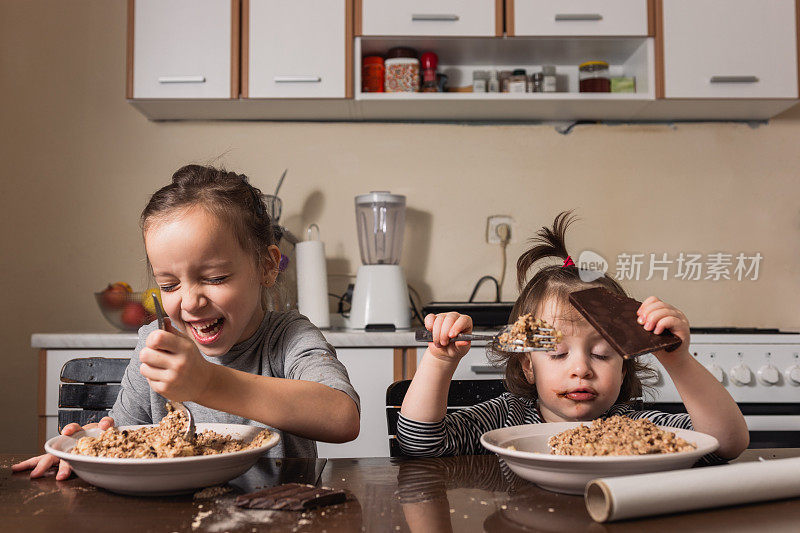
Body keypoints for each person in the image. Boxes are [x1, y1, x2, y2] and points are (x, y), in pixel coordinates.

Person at [15, 164, 360, 480]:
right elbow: (124, 437)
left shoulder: (288, 338)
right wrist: (88, 451)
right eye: (169, 285)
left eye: (216, 277)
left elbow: (342, 417)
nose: (190, 301)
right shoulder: (156, 342)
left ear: (267, 267)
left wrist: (208, 382)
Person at [398, 211, 749, 460]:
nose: (581, 369)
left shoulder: (635, 426)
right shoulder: (507, 419)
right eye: (557, 353)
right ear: (528, 365)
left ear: (626, 365)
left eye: (601, 354)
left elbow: (725, 444)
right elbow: (421, 444)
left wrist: (679, 361)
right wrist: (440, 362)